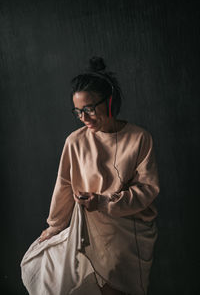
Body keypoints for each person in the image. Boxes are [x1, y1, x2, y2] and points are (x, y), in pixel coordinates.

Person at [20, 57, 160, 295]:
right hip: (87, 228)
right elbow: (63, 185)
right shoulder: (75, 141)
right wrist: (54, 226)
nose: (84, 118)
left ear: (110, 101)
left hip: (128, 232)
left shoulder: (139, 138)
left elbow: (147, 189)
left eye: (89, 109)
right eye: (78, 112)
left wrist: (104, 203)